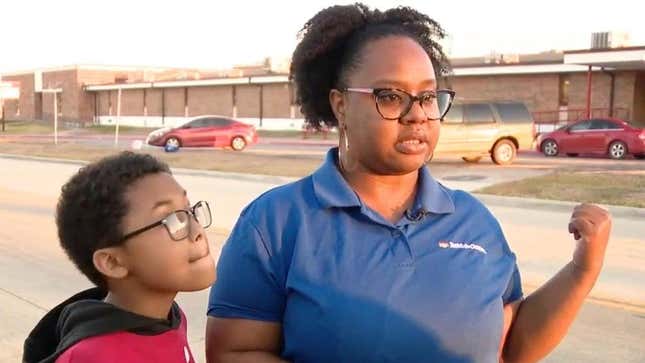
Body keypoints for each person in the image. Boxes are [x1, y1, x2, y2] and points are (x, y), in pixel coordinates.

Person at [205, 4, 611, 363]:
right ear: (340, 104)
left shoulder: (474, 220)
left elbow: (511, 348)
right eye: (392, 96)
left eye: (429, 97)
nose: (418, 114)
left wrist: (582, 271)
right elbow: (232, 351)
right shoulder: (275, 223)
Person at [23, 152, 216, 363]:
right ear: (113, 262)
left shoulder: (170, 318)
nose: (197, 230)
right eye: (171, 219)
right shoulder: (94, 356)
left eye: (188, 210)